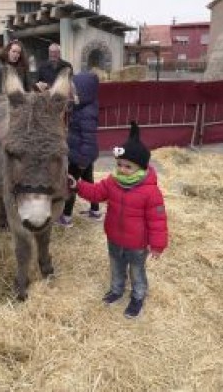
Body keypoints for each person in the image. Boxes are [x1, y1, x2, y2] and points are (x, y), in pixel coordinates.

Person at [68, 122, 168, 319]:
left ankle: (138, 296)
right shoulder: (112, 182)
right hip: (114, 237)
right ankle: (116, 290)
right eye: (119, 164)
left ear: (141, 167)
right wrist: (77, 186)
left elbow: (158, 220)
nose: (122, 169)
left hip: (137, 244)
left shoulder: (150, 191)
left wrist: (157, 245)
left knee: (137, 271)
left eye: (128, 166)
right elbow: (96, 193)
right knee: (116, 266)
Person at [58, 71, 102, 228]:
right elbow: (72, 105)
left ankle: (66, 217)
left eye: (74, 90)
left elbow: (88, 139)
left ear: (84, 91)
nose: (71, 92)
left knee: (70, 184)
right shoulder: (84, 105)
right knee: (89, 182)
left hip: (80, 156)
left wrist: (82, 161)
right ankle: (95, 211)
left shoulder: (86, 113)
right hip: (85, 154)